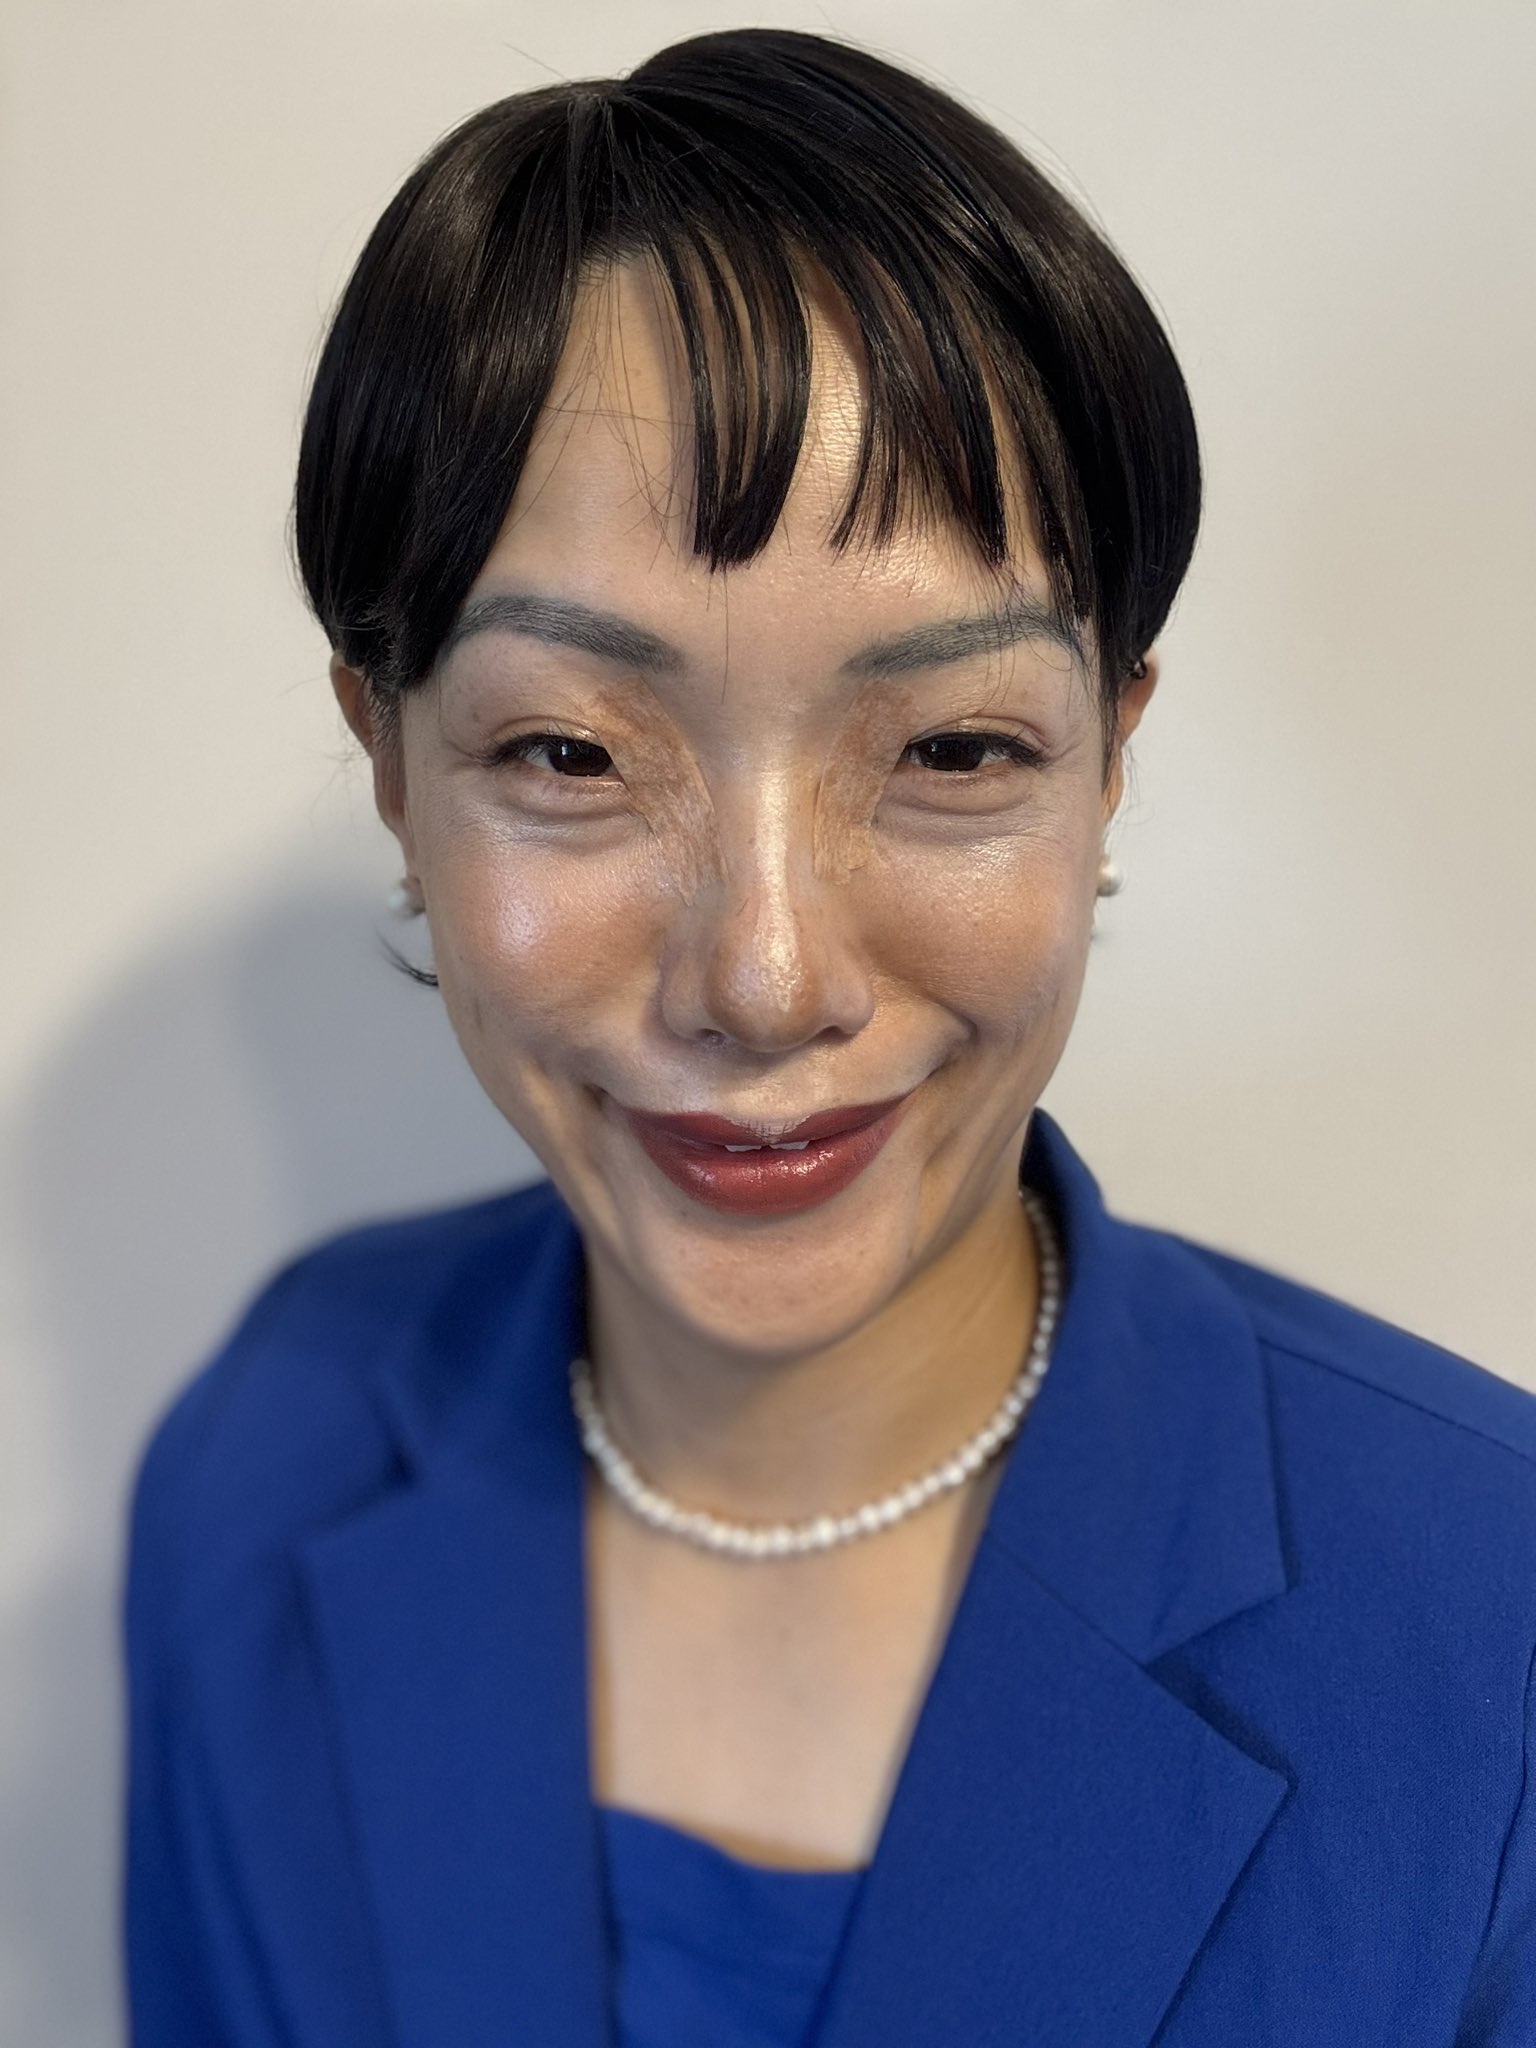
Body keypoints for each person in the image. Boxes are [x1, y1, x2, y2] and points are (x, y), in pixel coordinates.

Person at [121, 26, 1536, 2046]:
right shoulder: (265, 1459)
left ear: (1109, 762)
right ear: (393, 767)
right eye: (571, 752)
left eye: (953, 748)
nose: (768, 976)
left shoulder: (1491, 1626)